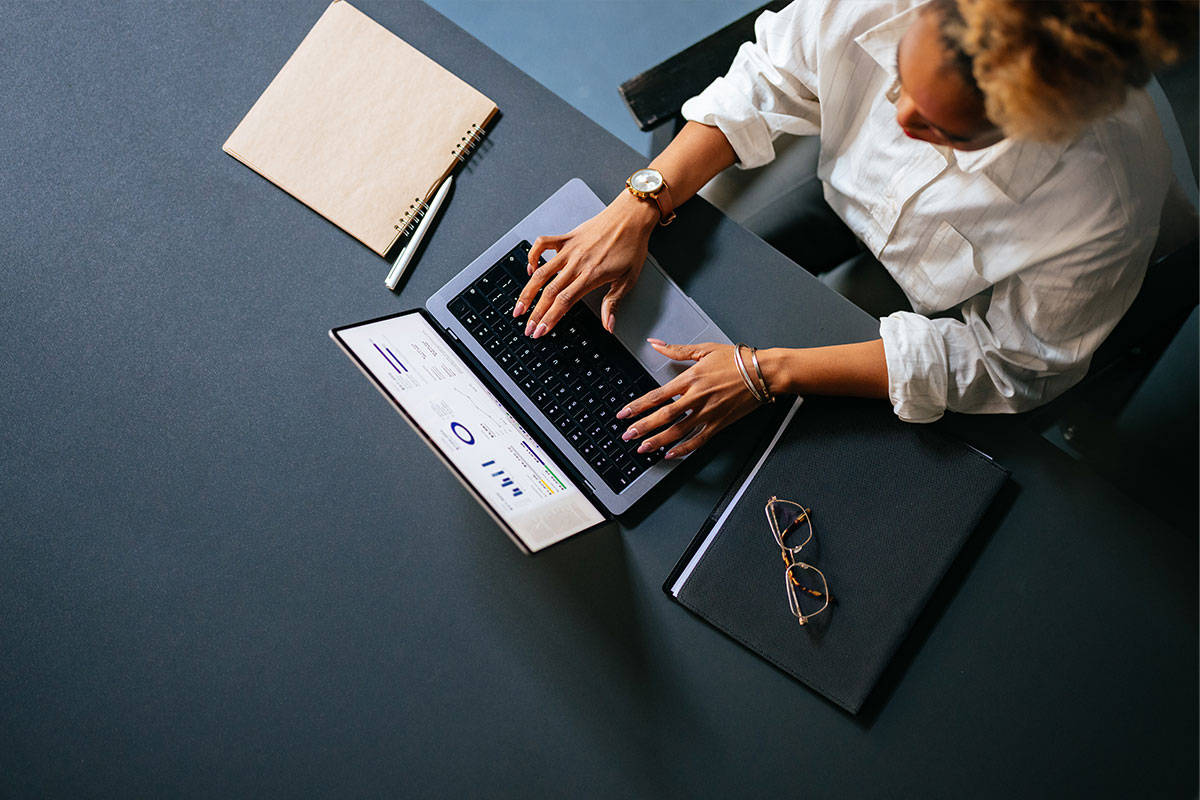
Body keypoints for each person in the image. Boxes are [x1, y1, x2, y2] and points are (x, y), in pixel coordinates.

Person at [512, 0, 1197, 460]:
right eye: (899, 78)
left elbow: (1008, 362)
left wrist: (770, 372)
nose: (899, 126)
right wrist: (641, 202)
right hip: (840, 189)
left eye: (941, 130)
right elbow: (770, 78)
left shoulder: (1102, 206)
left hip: (963, 297)